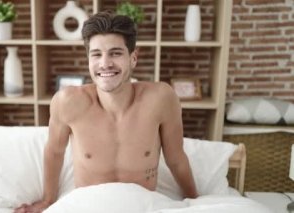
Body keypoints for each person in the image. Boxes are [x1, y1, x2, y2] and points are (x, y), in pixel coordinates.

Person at [15, 11, 198, 213]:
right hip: (88, 206)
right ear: (88, 59)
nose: (105, 63)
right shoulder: (67, 102)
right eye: (96, 54)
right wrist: (48, 201)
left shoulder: (161, 98)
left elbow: (176, 158)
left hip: (143, 207)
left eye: (116, 53)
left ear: (133, 58)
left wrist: (195, 200)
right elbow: (54, 152)